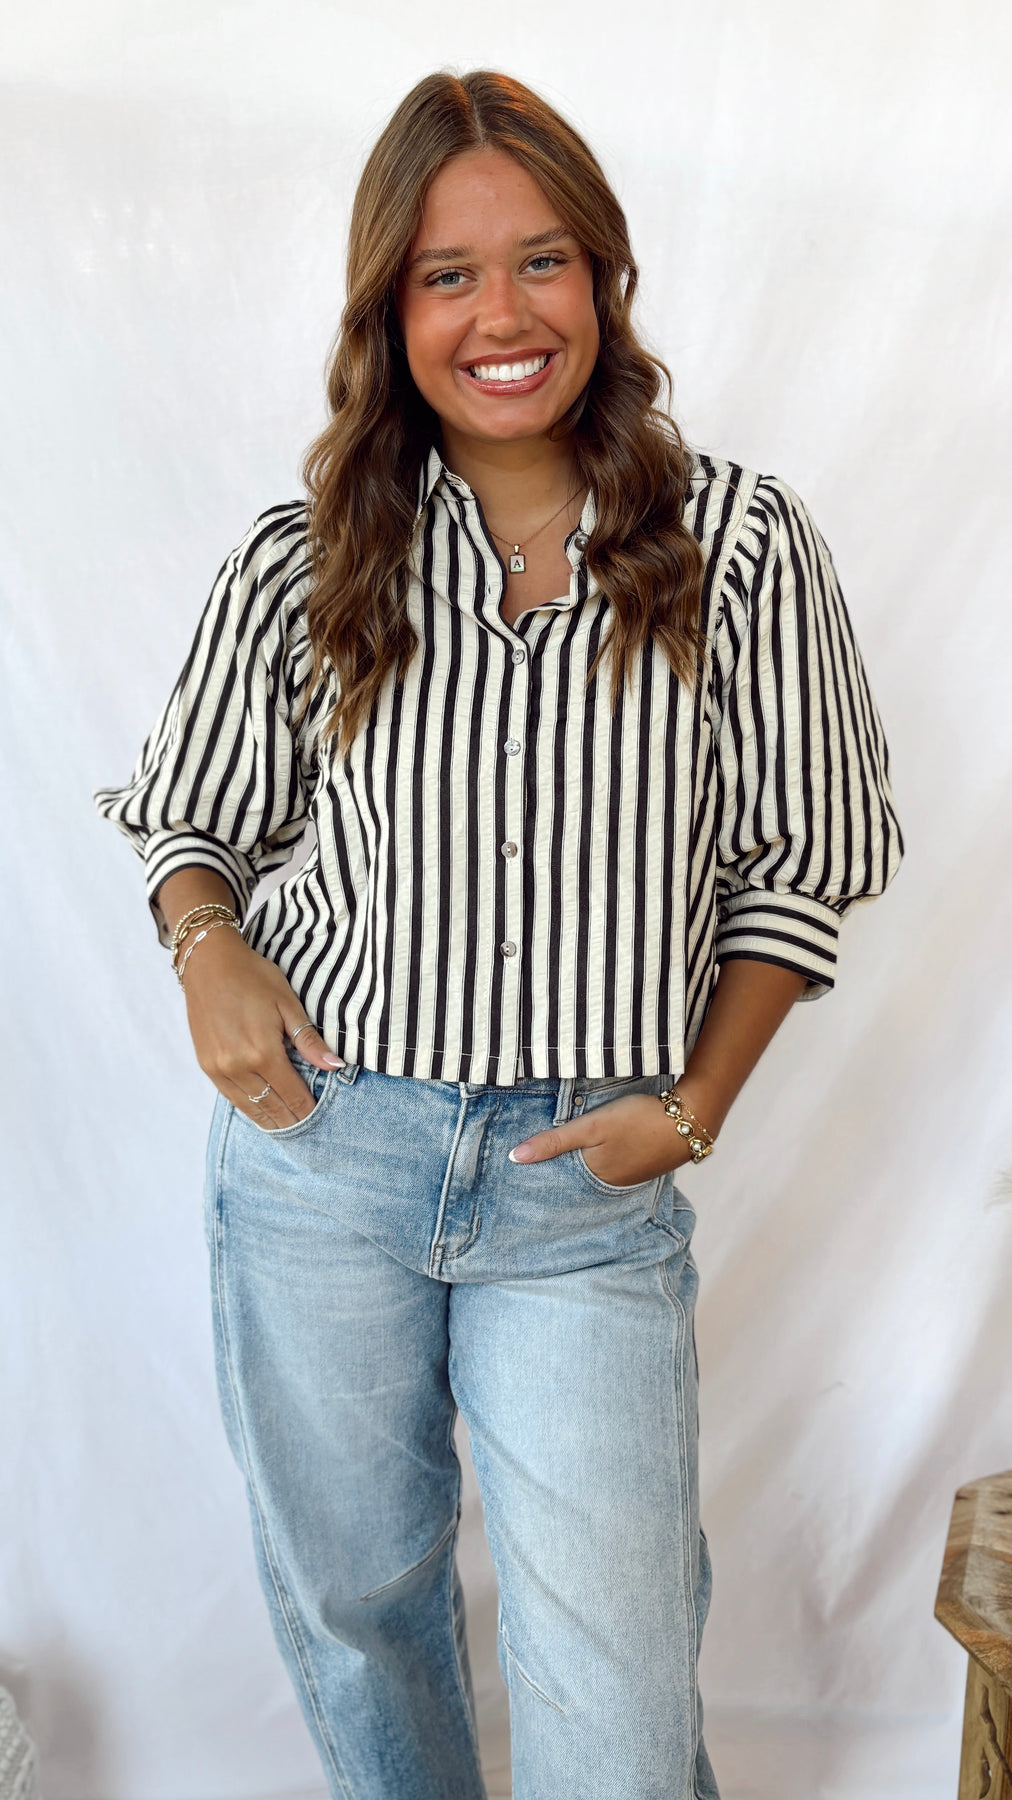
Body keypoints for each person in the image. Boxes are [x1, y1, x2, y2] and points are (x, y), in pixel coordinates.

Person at [95, 69, 902, 1800]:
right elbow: (188, 821)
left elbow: (809, 858)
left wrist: (695, 1106)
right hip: (324, 1155)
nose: (503, 315)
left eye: (543, 260)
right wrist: (206, 948)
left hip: (579, 1186)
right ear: (390, 313)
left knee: (618, 1696)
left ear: (603, 278)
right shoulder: (307, 559)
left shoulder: (740, 548)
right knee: (358, 1614)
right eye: (446, 276)